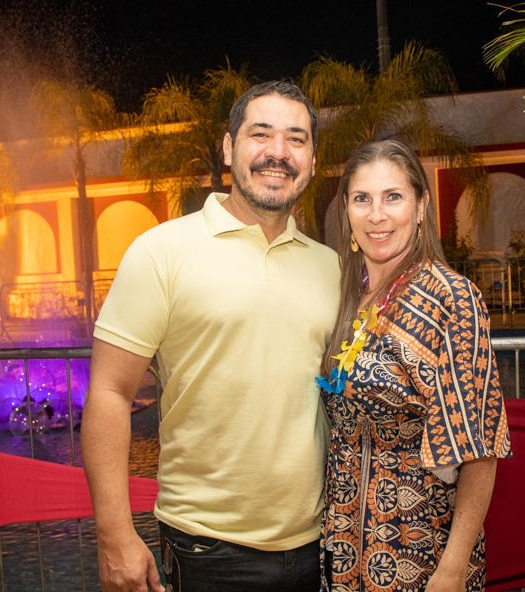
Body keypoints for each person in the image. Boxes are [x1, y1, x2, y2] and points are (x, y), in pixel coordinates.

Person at [81, 81, 340, 592]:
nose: (278, 152)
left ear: (312, 159)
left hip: (323, 544)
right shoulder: (160, 252)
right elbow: (110, 391)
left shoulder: (329, 266)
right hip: (207, 550)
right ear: (228, 147)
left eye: (296, 138)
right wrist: (114, 533)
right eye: (260, 134)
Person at [316, 140, 511, 592]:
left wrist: (453, 569)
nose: (376, 215)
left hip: (421, 552)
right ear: (346, 209)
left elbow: (479, 447)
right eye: (362, 198)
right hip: (341, 550)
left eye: (393, 197)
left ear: (421, 206)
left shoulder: (452, 298)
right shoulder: (345, 295)